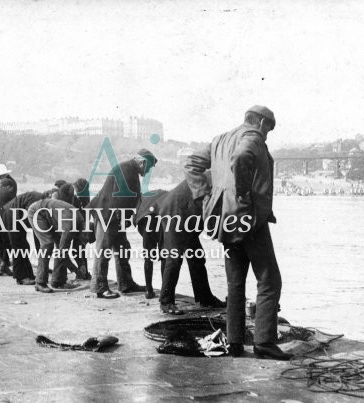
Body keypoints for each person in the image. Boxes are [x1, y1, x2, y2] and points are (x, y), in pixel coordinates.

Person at [184, 105, 291, 360]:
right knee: (269, 279)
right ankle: (264, 342)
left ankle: (234, 343)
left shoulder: (220, 139)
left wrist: (204, 195)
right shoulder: (252, 137)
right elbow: (242, 158)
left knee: (235, 283)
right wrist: (242, 193)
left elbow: (191, 164)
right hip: (249, 219)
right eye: (269, 130)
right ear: (262, 123)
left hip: (225, 220)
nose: (267, 135)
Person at [87, 149, 157, 299]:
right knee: (103, 251)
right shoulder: (127, 169)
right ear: (142, 162)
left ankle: (126, 284)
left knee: (123, 249)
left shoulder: (129, 169)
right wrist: (123, 219)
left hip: (114, 217)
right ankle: (99, 288)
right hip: (108, 215)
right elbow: (121, 197)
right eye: (149, 167)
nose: (149, 170)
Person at [150, 180, 225, 314]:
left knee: (197, 257)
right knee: (174, 258)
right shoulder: (221, 179)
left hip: (187, 213)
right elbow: (210, 211)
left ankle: (205, 298)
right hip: (175, 211)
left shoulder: (221, 177)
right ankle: (166, 302)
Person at [27, 198, 89, 293]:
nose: (84, 243)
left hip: (51, 217)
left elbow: (76, 247)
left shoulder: (81, 225)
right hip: (37, 212)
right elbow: (62, 254)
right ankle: (40, 282)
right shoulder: (71, 226)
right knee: (47, 244)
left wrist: (82, 264)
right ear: (85, 233)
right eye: (85, 241)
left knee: (60, 244)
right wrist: (76, 270)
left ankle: (58, 281)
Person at [2, 191, 50, 285]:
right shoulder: (37, 200)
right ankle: (21, 277)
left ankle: (28, 275)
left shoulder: (40, 201)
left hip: (15, 214)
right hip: (11, 214)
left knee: (24, 246)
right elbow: (34, 224)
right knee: (18, 246)